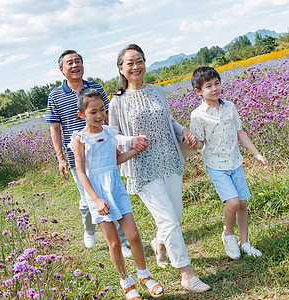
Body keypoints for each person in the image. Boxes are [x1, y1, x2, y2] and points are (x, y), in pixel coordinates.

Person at [108, 44, 211, 293]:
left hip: (170, 159)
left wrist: (183, 131)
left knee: (175, 215)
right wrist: (130, 141)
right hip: (143, 166)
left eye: (139, 60)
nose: (136, 66)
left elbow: (169, 120)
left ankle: (158, 242)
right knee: (168, 220)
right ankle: (186, 274)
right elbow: (114, 136)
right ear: (121, 69)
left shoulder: (158, 91)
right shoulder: (117, 103)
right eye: (130, 62)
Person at [70, 88, 164, 299]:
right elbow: (82, 173)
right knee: (114, 243)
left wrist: (134, 151)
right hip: (97, 194)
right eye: (93, 112)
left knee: (133, 235)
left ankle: (144, 275)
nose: (99, 115)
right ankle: (126, 282)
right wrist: (96, 199)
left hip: (116, 189)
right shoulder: (80, 138)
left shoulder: (110, 132)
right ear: (81, 114)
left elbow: (116, 160)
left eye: (102, 110)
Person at [46, 50, 131, 257]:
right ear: (61, 70)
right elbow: (55, 128)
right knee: (88, 199)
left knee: (111, 194)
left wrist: (116, 142)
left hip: (103, 149)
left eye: (78, 61)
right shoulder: (55, 95)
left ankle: (122, 242)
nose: (75, 65)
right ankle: (89, 228)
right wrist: (60, 158)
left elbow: (107, 115)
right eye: (70, 63)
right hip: (79, 154)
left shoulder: (95, 87)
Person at [189, 66, 268, 259]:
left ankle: (245, 242)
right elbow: (199, 143)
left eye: (217, 83)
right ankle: (229, 235)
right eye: (209, 86)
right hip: (216, 165)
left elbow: (240, 132)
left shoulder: (230, 107)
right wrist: (193, 141)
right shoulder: (197, 115)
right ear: (198, 91)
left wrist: (256, 154)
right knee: (232, 202)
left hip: (235, 162)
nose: (215, 88)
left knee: (242, 203)